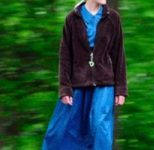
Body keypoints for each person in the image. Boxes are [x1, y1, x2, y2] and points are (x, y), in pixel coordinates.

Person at [41, 0, 128, 149]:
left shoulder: (113, 18)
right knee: (69, 130)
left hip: (105, 82)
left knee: (99, 126)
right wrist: (65, 88)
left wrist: (121, 88)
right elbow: (65, 56)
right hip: (78, 83)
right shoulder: (72, 19)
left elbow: (119, 54)